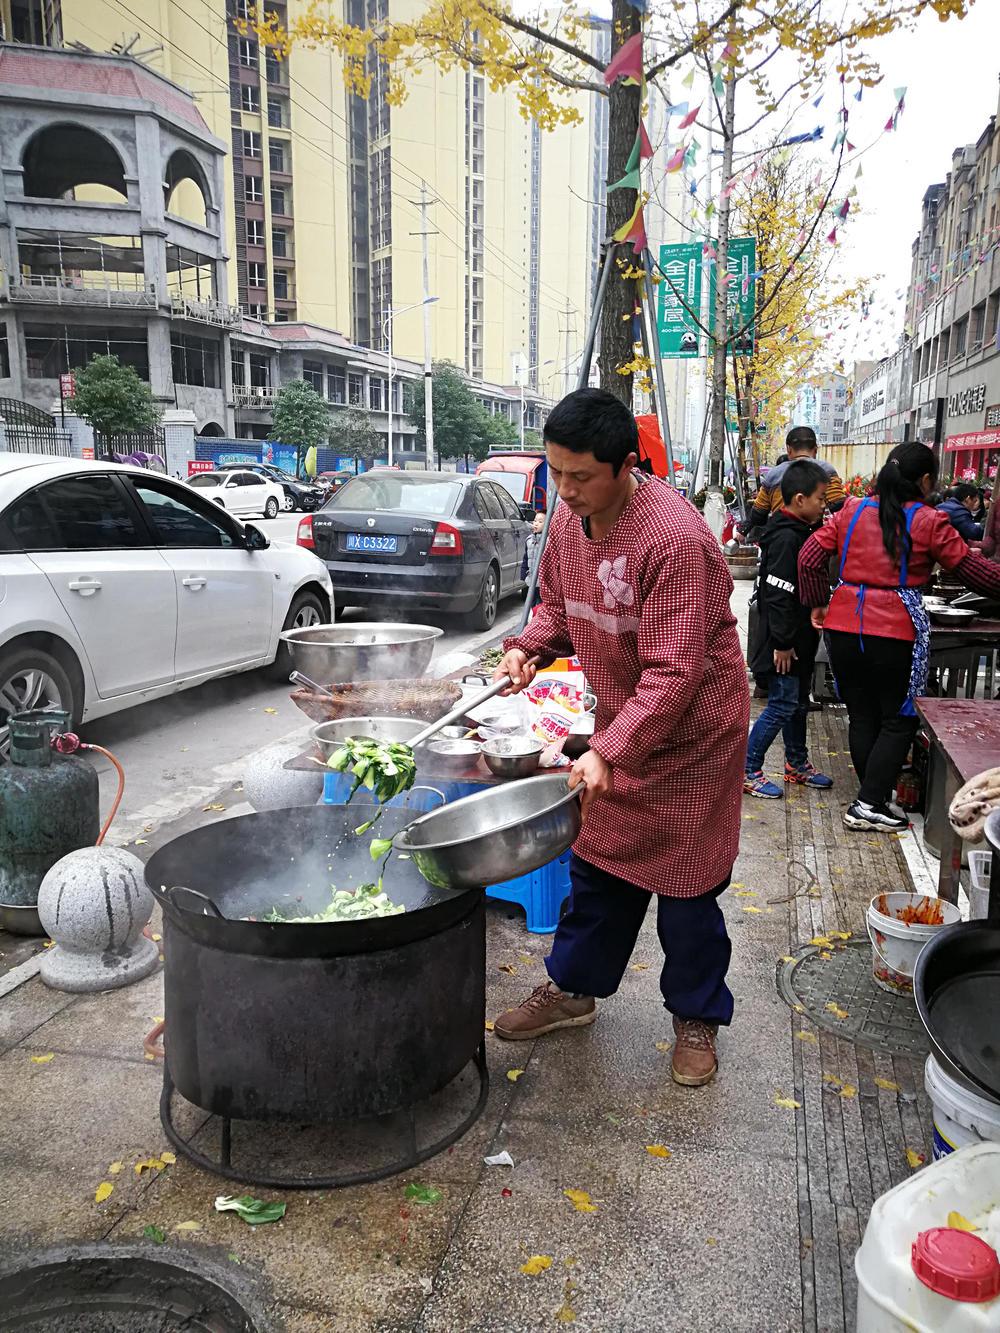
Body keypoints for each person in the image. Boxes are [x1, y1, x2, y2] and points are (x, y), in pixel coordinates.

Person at [490, 388, 750, 1088]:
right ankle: (573, 989)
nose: (564, 490)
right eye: (556, 473)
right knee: (596, 871)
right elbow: (557, 607)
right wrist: (528, 648)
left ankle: (696, 1017)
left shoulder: (675, 539)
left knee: (689, 893)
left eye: (579, 476)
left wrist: (610, 746)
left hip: (692, 740)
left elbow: (675, 671)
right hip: (623, 730)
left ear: (625, 466)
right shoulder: (570, 523)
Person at [798, 442, 1000, 832]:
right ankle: (869, 803)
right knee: (900, 718)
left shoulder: (851, 510)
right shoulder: (928, 520)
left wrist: (817, 603)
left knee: (862, 713)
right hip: (893, 630)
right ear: (924, 480)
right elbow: (972, 571)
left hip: (842, 625)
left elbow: (808, 557)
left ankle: (870, 796)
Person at [744, 460, 834, 799]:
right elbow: (778, 595)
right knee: (782, 704)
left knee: (797, 702)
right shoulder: (784, 538)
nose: (824, 505)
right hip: (786, 642)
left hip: (799, 638)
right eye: (820, 499)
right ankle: (748, 769)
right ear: (799, 499)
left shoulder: (801, 532)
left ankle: (797, 764)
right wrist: (782, 643)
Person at [742, 426, 846, 540]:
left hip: (778, 538)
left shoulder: (773, 474)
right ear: (815, 450)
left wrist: (742, 531)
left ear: (789, 450)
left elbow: (758, 515)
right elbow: (839, 507)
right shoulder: (826, 471)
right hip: (814, 543)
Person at [520, 511, 545, 608]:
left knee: (541, 606)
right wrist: (523, 574)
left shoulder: (549, 540)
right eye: (535, 521)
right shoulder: (529, 540)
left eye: (540, 521)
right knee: (531, 604)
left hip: (543, 582)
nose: (536, 523)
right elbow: (526, 558)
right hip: (531, 580)